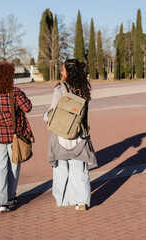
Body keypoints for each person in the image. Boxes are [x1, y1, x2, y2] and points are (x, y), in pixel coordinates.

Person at [0, 62, 33, 213]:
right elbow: (28, 107)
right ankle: (11, 196)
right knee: (14, 165)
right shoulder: (15, 92)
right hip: (14, 135)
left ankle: (1, 202)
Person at [43, 59, 97, 211]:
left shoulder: (60, 88)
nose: (61, 72)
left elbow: (52, 112)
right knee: (79, 168)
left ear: (68, 72)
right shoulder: (83, 88)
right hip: (79, 134)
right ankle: (81, 201)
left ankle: (63, 199)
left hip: (61, 133)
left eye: (63, 70)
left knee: (61, 168)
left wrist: (44, 116)